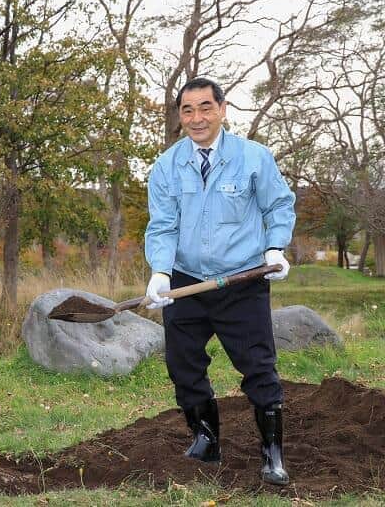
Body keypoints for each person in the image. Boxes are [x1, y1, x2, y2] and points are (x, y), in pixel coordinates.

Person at [143, 77, 295, 485]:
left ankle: (272, 452)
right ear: (180, 116)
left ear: (223, 109)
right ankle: (206, 439)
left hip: (241, 281)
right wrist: (160, 271)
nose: (197, 118)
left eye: (205, 107)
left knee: (258, 367)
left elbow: (279, 205)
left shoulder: (253, 158)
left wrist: (276, 247)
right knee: (183, 364)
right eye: (188, 110)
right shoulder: (167, 166)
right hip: (186, 283)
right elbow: (161, 227)